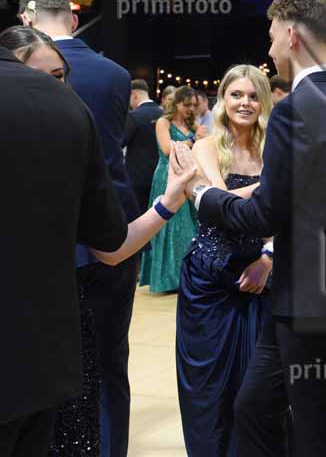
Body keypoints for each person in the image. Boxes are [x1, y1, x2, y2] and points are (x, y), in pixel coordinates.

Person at [183, 0, 326, 457]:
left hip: (311, 296)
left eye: (272, 36)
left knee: (319, 428)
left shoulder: (295, 110)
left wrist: (204, 195)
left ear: (291, 35)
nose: (270, 49)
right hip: (325, 287)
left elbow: (262, 214)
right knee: (255, 407)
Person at [0, 26, 194, 457]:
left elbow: (112, 246)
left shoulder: (72, 134)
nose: (54, 90)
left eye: (60, 77)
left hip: (51, 351)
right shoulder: (72, 120)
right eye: (44, 78)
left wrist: (168, 203)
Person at [19, 0, 142, 457]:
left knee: (46, 366)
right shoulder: (115, 75)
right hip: (115, 231)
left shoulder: (18, 73)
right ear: (72, 19)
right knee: (111, 362)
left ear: (27, 20)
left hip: (48, 241)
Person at [177, 65, 273, 457]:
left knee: (258, 391)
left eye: (253, 96)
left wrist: (268, 257)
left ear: (263, 102)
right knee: (209, 389)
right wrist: (275, 186)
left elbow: (289, 215)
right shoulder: (205, 147)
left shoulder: (273, 150)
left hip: (259, 277)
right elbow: (219, 206)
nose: (245, 103)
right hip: (208, 282)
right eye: (236, 95)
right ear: (223, 99)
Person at [139, 86, 199, 293]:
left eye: (194, 105)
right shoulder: (163, 122)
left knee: (189, 227)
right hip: (168, 178)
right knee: (170, 226)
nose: (191, 109)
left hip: (190, 177)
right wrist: (194, 141)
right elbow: (167, 149)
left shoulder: (193, 125)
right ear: (177, 103)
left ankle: (188, 277)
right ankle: (168, 279)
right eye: (187, 104)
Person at [124, 80, 164, 208]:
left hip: (137, 177)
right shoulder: (163, 114)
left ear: (134, 95)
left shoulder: (134, 116)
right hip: (160, 174)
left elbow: (121, 141)